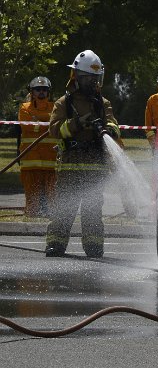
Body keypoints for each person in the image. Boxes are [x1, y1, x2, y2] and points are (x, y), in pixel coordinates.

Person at [45, 50, 121, 258]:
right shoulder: (64, 103)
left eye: (96, 79)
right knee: (64, 208)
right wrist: (75, 124)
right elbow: (54, 130)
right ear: (77, 76)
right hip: (69, 165)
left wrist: (109, 130)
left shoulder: (102, 103)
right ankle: (56, 245)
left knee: (93, 210)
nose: (93, 83)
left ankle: (94, 247)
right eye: (89, 78)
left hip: (95, 166)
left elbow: (114, 123)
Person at [17, 77, 58, 217]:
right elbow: (26, 126)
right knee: (31, 191)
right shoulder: (24, 108)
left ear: (48, 92)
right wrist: (46, 122)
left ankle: (51, 214)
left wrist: (37, 121)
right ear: (32, 92)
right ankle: (32, 214)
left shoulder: (56, 107)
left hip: (51, 160)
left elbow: (55, 125)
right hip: (30, 159)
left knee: (52, 192)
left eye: (44, 89)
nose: (41, 92)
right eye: (38, 89)